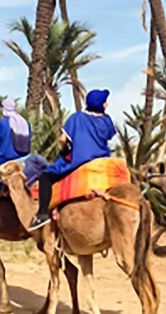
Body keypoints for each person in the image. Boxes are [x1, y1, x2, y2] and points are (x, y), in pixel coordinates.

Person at [29, 89, 116, 231]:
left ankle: (43, 214)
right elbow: (108, 137)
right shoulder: (107, 120)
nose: (107, 104)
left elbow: (62, 140)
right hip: (102, 161)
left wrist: (65, 150)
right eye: (105, 102)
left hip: (79, 161)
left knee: (45, 177)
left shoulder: (76, 118)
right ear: (101, 105)